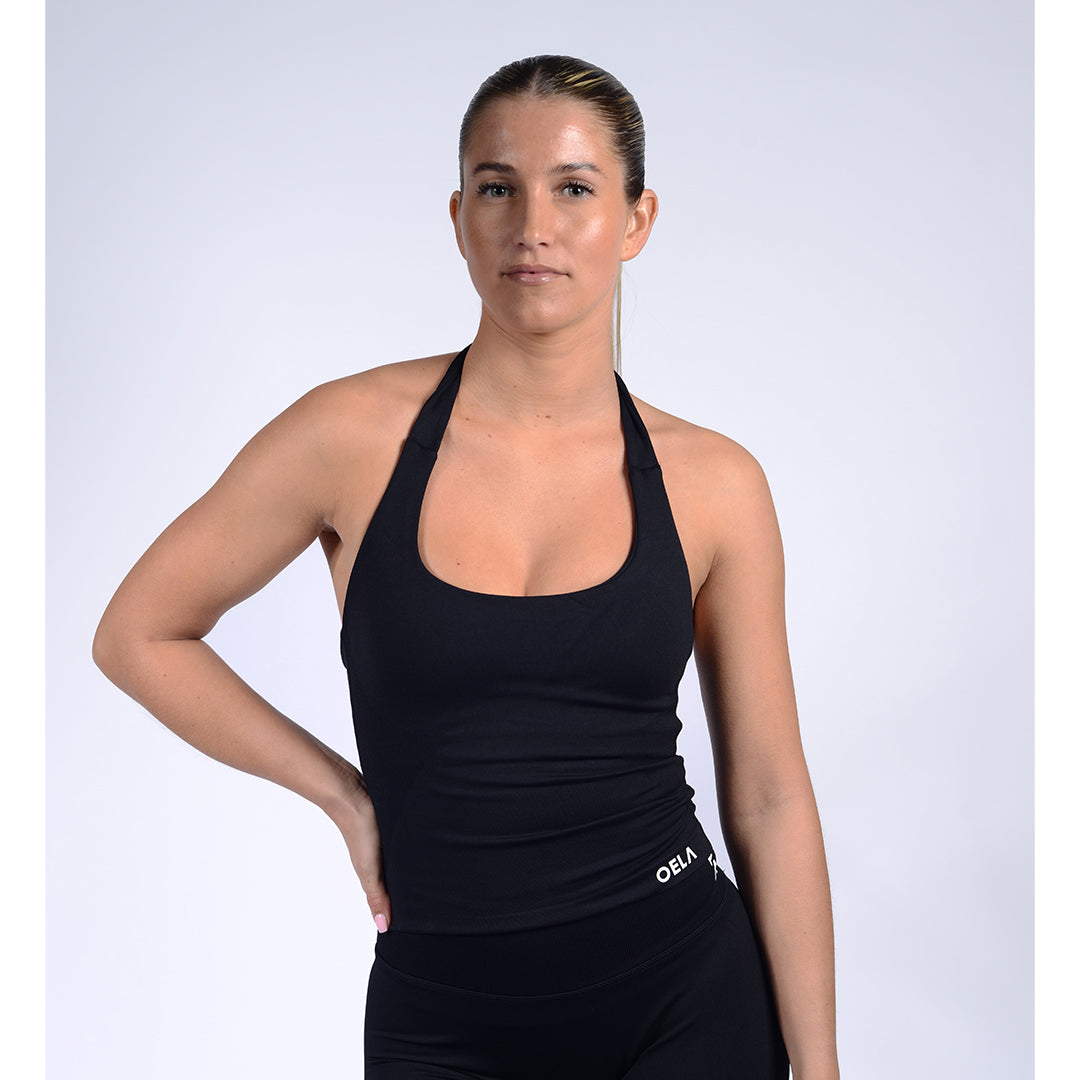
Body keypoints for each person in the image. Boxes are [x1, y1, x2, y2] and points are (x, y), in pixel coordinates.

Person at [94, 54, 839, 1080]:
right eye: (498, 188)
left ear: (636, 221)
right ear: (458, 218)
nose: (533, 224)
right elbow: (137, 634)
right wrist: (345, 795)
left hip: (682, 993)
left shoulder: (715, 482)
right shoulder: (348, 438)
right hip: (444, 1016)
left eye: (573, 188)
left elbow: (768, 794)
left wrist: (819, 1065)